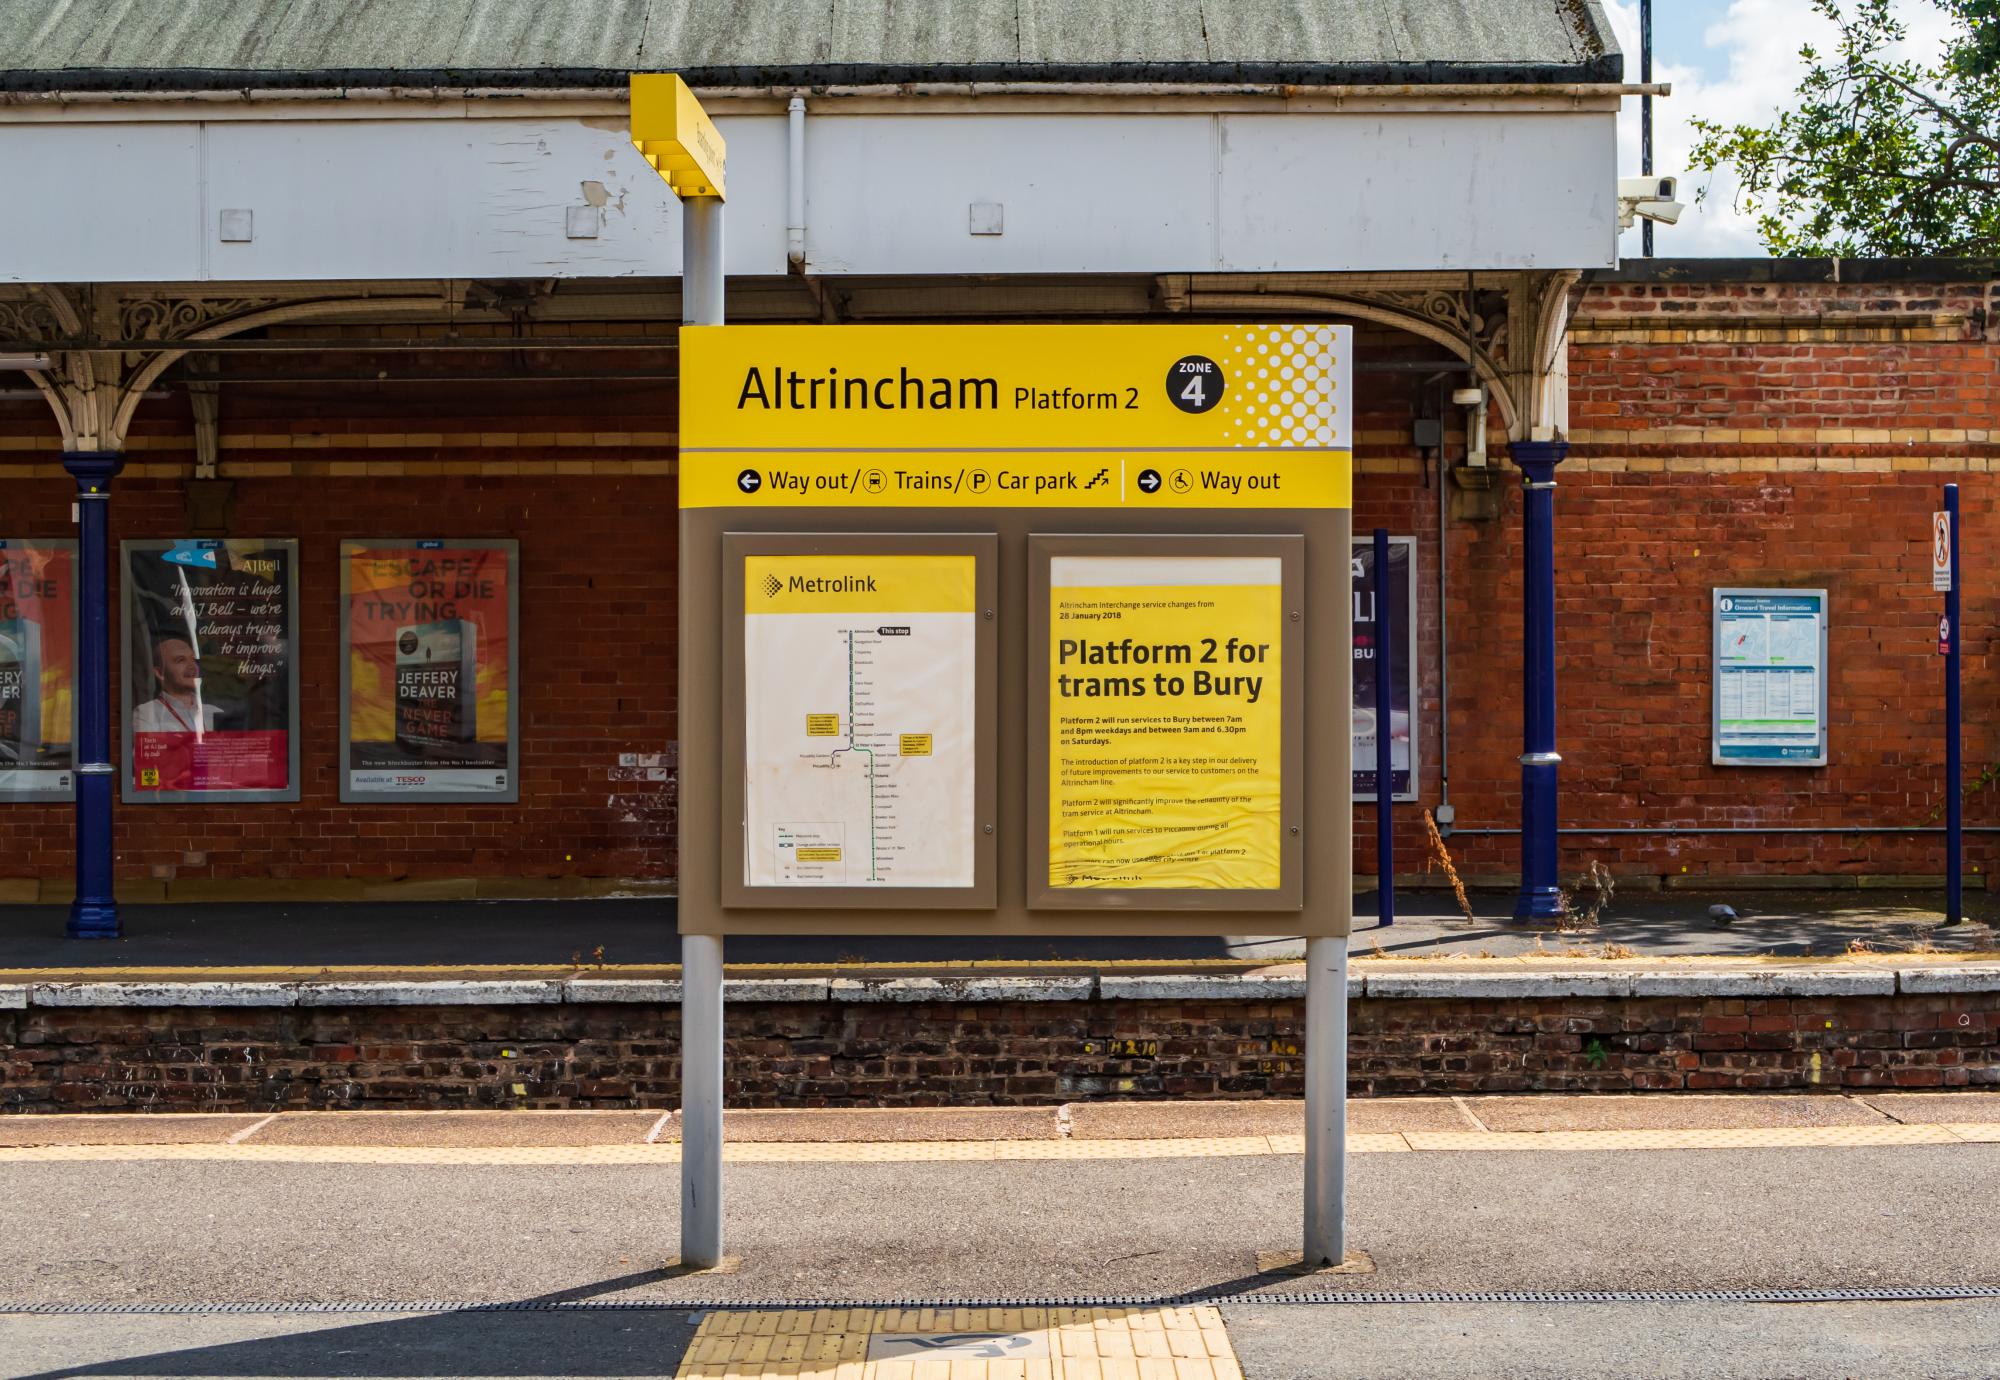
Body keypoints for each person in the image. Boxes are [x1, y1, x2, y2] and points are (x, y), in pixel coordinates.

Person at [132, 635, 225, 735]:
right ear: (160, 673)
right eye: (180, 660)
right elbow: (145, 750)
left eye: (193, 659)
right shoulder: (145, 714)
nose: (192, 666)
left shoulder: (215, 712)